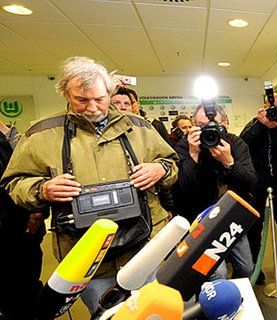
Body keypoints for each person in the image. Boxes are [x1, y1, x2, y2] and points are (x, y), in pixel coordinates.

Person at [0, 56, 179, 315]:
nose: (93, 108)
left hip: (144, 249)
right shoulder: (41, 134)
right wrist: (43, 190)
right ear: (66, 93)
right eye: (82, 100)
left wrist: (159, 169)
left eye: (100, 99)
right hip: (86, 258)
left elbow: (172, 163)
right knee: (106, 314)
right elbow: (13, 182)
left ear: (109, 91)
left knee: (154, 311)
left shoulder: (138, 127)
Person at [172, 103, 257, 287]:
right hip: (200, 222)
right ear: (193, 126)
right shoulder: (184, 146)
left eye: (214, 125)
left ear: (225, 123)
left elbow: (251, 182)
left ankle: (235, 299)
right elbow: (181, 191)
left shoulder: (236, 143)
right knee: (216, 273)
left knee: (247, 269)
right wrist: (193, 155)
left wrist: (229, 163)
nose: (208, 131)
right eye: (201, 126)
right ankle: (215, 308)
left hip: (231, 218)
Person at [240, 92, 277, 283]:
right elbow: (244, 144)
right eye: (273, 107)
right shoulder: (255, 123)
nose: (276, 111)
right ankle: (256, 267)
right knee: (255, 227)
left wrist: (276, 128)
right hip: (258, 183)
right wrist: (261, 125)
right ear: (264, 108)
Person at [0, 121, 46, 320]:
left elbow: (32, 177)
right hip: (8, 231)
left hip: (22, 230)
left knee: (26, 290)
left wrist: (38, 210)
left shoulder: (15, 138)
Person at [112, 87, 176, 219]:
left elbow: (170, 162)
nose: (122, 107)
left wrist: (161, 168)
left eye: (127, 104)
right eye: (116, 103)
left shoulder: (148, 129)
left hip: (147, 208)